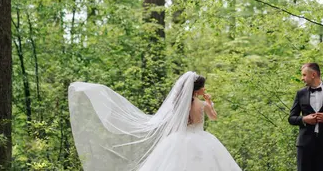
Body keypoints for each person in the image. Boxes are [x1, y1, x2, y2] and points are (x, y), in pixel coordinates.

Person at [68, 71, 242, 171]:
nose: (204, 88)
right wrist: (210, 102)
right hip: (201, 139)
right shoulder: (202, 103)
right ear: (198, 89)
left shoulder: (179, 105)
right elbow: (214, 117)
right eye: (203, 86)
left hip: (179, 139)